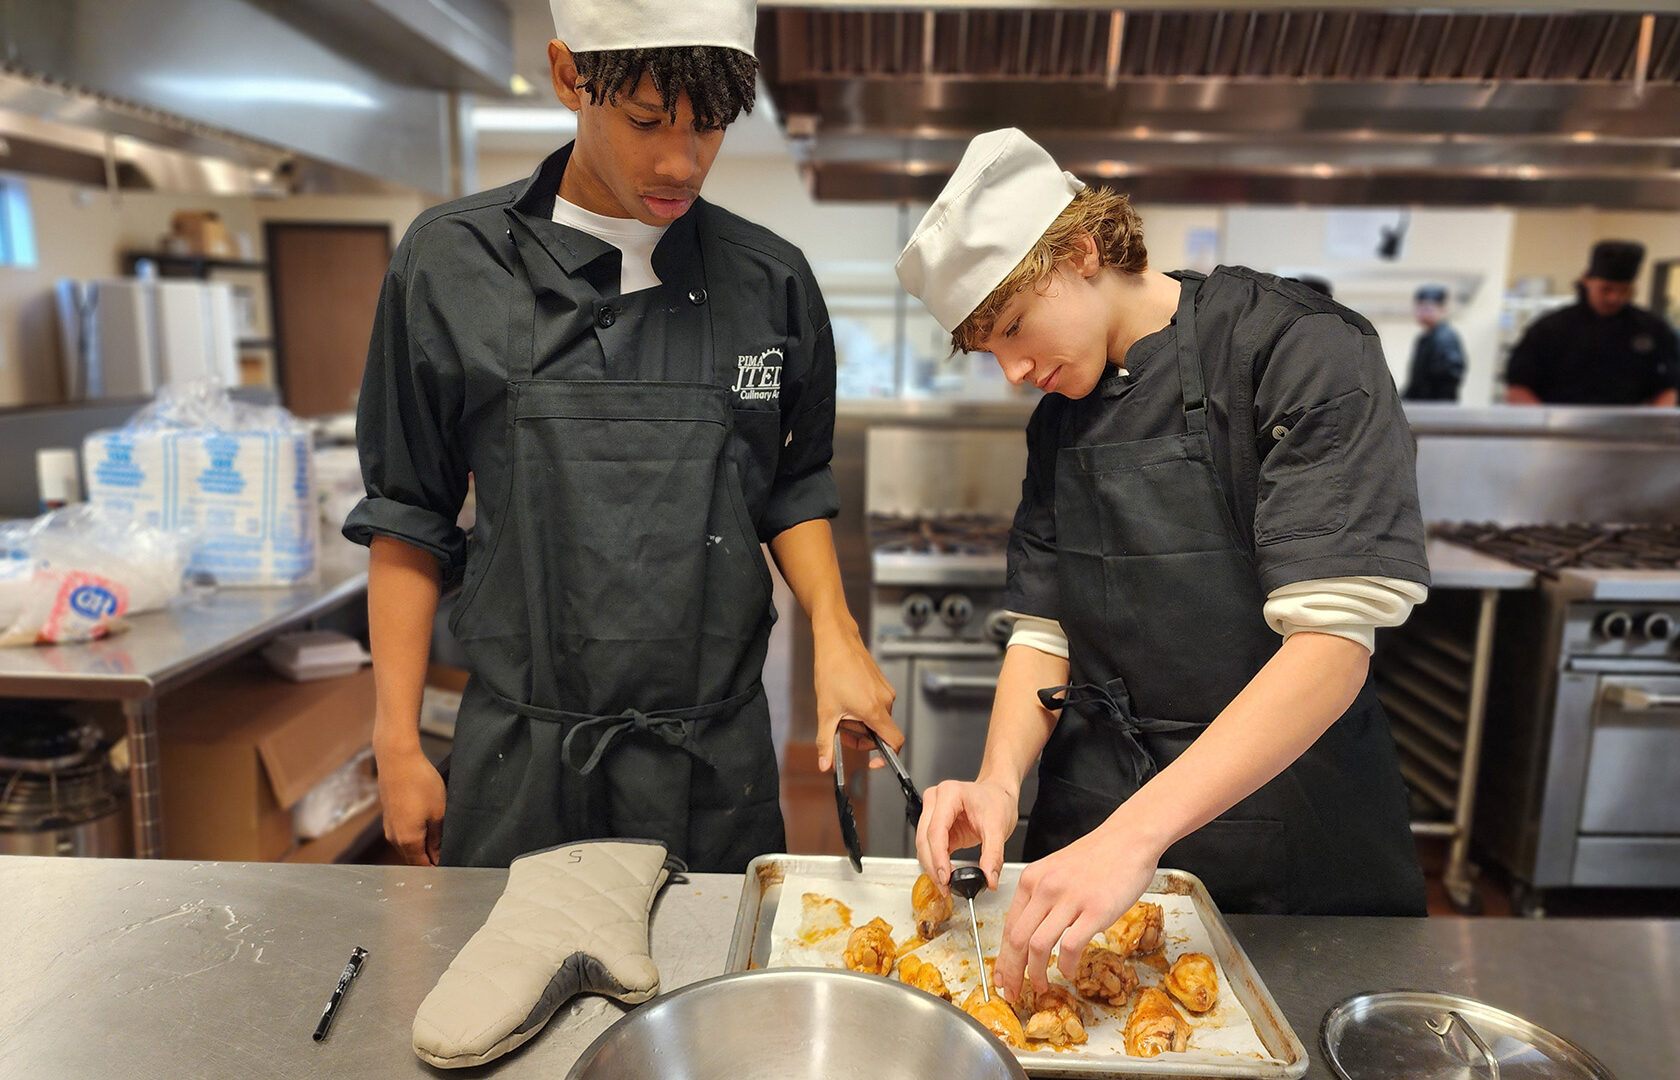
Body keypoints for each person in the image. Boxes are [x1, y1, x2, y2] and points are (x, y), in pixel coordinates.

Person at [344, 0, 898, 873]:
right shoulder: (450, 265)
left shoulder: (770, 281)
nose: (681, 162)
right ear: (571, 77)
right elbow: (409, 513)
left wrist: (837, 631)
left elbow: (793, 485)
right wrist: (397, 742)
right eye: (646, 121)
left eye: (709, 127)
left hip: (710, 764)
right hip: (523, 759)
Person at [895, 130, 1430, 1001]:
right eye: (990, 349)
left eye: (1016, 329)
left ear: (1083, 249)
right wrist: (998, 782)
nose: (1016, 371)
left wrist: (1132, 837)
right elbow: (1045, 628)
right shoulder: (1061, 418)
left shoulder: (1300, 353)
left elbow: (1330, 648)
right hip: (1093, 822)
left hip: (1285, 839)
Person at [1505, 240, 1679, 406]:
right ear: (1586, 281)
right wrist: (1545, 426)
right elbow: (1518, 387)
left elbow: (1668, 388)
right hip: (1559, 426)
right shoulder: (1549, 328)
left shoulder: (1653, 329)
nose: (1615, 298)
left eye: (1625, 290)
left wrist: (1655, 425)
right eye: (1606, 289)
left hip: (1630, 429)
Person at [1401, 285, 1466, 402]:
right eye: (1419, 308)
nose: (1422, 313)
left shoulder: (1445, 339)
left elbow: (1448, 379)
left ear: (1442, 309)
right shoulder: (1426, 338)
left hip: (1436, 408)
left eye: (1428, 309)